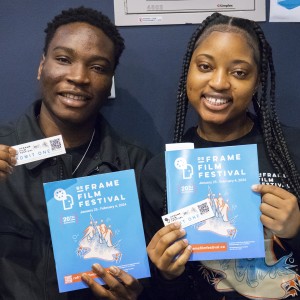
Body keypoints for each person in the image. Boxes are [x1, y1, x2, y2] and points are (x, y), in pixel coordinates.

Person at [141, 12, 300, 300]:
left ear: (257, 81)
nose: (219, 82)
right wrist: (166, 274)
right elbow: (166, 293)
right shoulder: (160, 173)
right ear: (188, 71)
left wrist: (297, 229)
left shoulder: (292, 149)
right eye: (204, 66)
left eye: (239, 72)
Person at [0, 6, 151, 300]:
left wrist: (137, 294)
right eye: (64, 59)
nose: (79, 77)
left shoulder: (138, 166)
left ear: (109, 82)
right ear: (42, 65)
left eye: (97, 67)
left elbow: (155, 277)